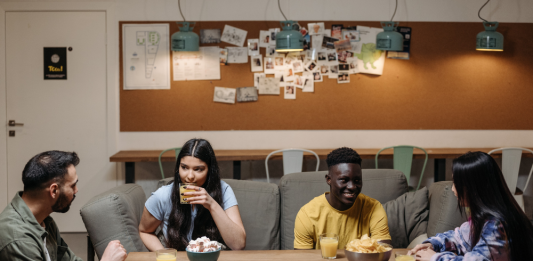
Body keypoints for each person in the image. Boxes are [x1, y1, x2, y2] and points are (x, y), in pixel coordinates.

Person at [0, 151, 127, 261]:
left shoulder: (44, 221)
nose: (76, 190)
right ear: (54, 190)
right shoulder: (19, 240)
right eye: (72, 185)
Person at [408, 152, 533, 261]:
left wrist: (434, 257)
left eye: (456, 183)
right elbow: (458, 237)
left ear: (473, 188)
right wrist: (432, 244)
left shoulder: (497, 226)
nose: (452, 189)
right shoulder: (485, 218)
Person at [139, 139, 246, 251]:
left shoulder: (224, 191)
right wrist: (163, 254)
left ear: (210, 170)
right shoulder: (163, 195)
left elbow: (238, 245)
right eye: (184, 167)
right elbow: (144, 231)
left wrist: (212, 205)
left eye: (198, 169)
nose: (190, 176)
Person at [294, 147, 391, 250]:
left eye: (357, 180)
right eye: (344, 180)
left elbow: (382, 254)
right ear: (329, 180)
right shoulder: (307, 214)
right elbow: (302, 257)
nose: (352, 186)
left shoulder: (374, 208)